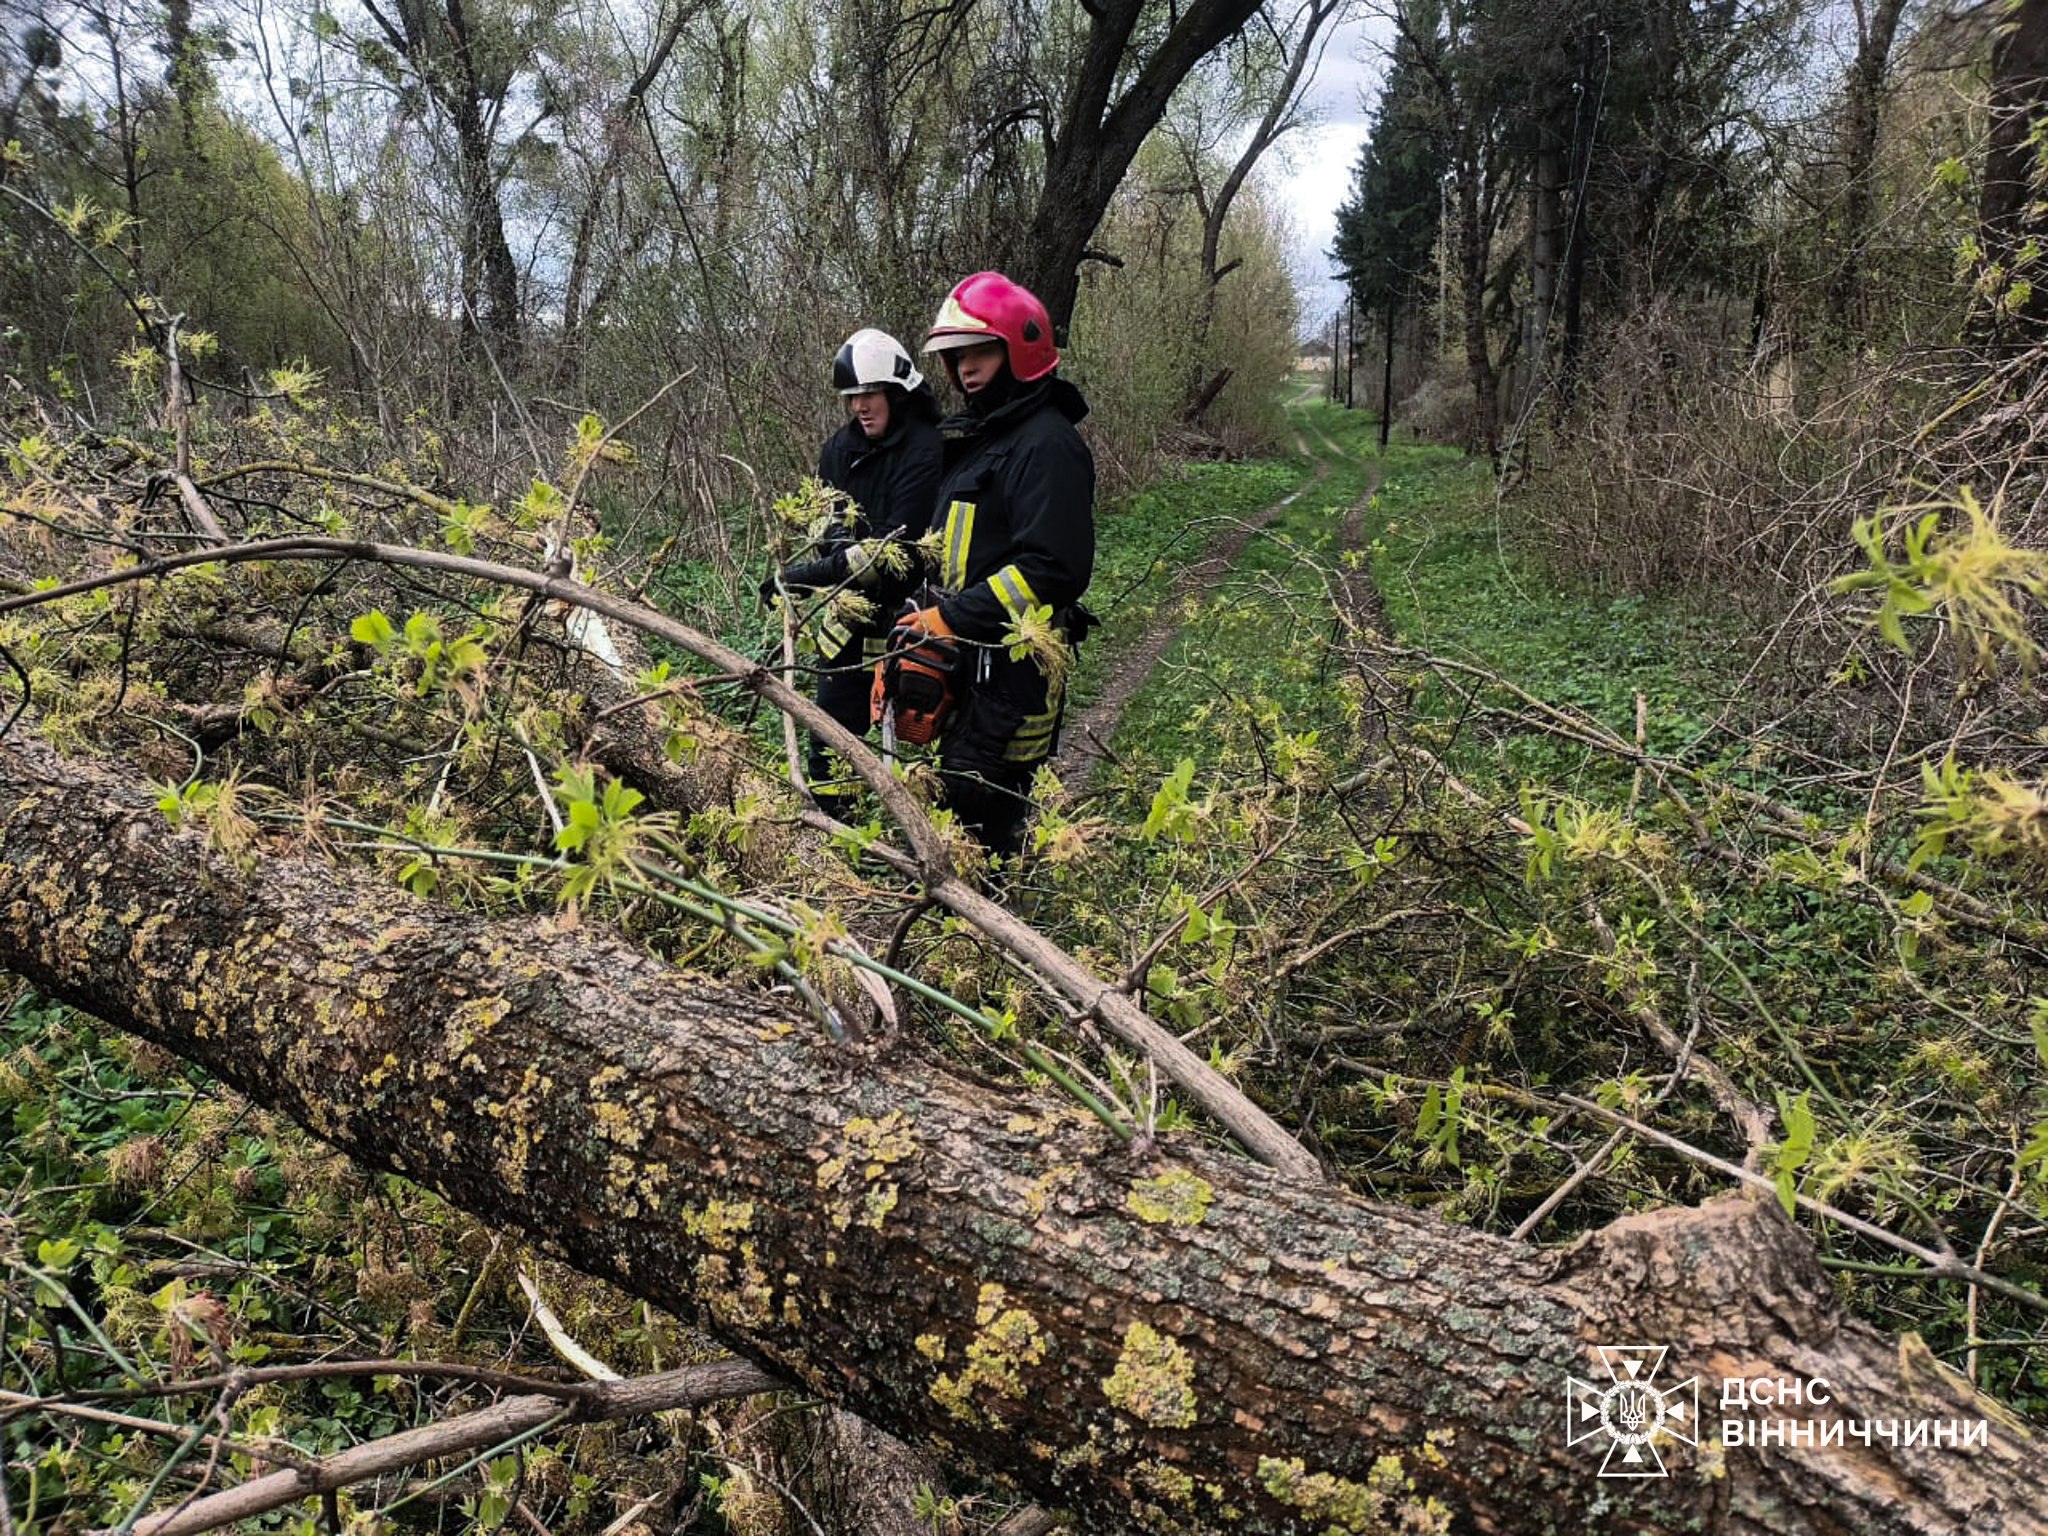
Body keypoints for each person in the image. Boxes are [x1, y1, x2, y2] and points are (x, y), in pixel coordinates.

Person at [889, 271, 1096, 859]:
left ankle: (990, 915)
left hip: (1011, 680)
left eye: (980, 351)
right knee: (949, 821)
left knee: (984, 831)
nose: (966, 367)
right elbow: (952, 555)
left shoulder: (1046, 444)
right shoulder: (982, 438)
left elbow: (1052, 568)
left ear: (1020, 349)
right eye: (957, 356)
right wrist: (915, 626)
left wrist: (954, 618)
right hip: (962, 668)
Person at [763, 328, 943, 808]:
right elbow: (824, 516)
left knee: (924, 741)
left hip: (913, 625)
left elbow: (892, 551)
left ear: (896, 392)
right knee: (830, 737)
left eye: (869, 393)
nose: (859, 406)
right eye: (852, 396)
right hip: (848, 624)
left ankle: (918, 828)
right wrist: (834, 543)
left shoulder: (928, 450)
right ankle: (834, 825)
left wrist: (802, 577)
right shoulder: (839, 449)